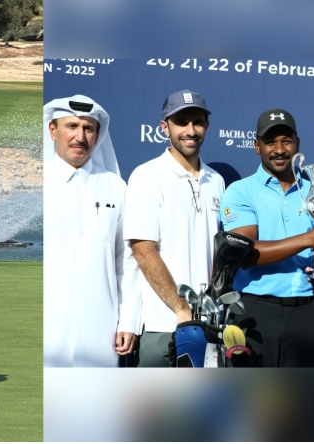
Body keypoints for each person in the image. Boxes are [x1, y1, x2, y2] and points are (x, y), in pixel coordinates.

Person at [220, 108, 314, 367]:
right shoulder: (241, 191)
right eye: (270, 142)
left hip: (308, 311)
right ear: (257, 146)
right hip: (254, 310)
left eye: (286, 141)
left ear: (298, 143)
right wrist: (308, 238)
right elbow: (245, 254)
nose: (279, 149)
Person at [124, 90, 225, 367]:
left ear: (207, 125)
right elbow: (143, 251)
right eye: (181, 122)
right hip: (164, 324)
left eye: (197, 121)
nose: (190, 130)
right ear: (164, 127)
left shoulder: (216, 180)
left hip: (209, 325)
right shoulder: (147, 176)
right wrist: (181, 308)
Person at [43, 94, 140, 367]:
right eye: (71, 126)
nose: (80, 137)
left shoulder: (115, 186)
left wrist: (129, 320)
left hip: (102, 329)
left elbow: (128, 261)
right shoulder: (37, 184)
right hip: (46, 326)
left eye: (88, 128)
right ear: (53, 130)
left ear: (98, 136)